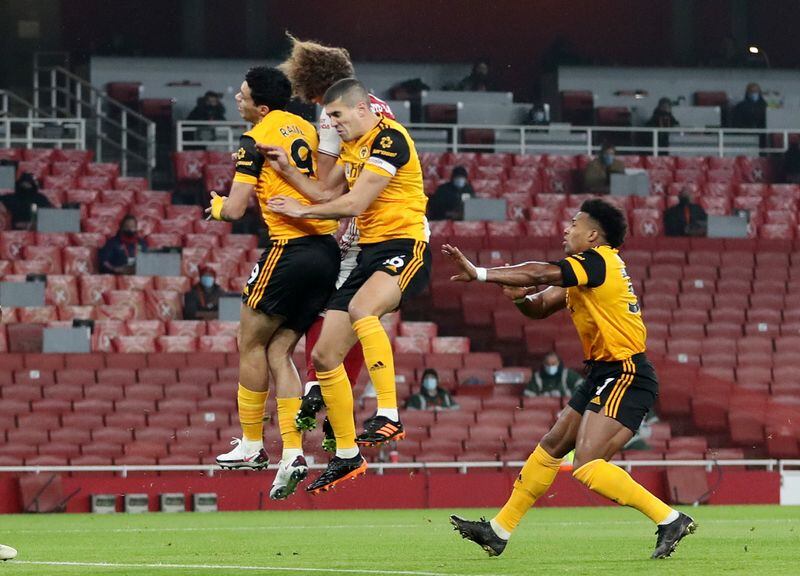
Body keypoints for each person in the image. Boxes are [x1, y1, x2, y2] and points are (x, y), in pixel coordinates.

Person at [443, 198, 695, 559]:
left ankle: (669, 518)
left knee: (587, 465)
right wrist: (518, 299)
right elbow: (541, 305)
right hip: (602, 372)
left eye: (574, 223)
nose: (566, 228)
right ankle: (499, 531)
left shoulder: (597, 261)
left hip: (626, 371)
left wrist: (481, 273)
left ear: (593, 235)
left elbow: (538, 273)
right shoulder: (585, 271)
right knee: (552, 446)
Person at [264, 78, 431, 494]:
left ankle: (389, 412)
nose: (331, 124)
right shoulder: (353, 145)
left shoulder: (390, 140)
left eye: (336, 115)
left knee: (362, 310)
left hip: (404, 244)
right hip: (368, 252)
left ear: (362, 109)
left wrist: (304, 208)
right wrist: (287, 172)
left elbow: (354, 204)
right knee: (323, 356)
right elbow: (325, 190)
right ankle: (346, 452)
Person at [206, 66, 340, 501]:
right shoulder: (302, 126)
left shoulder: (255, 139)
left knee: (249, 342)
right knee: (280, 350)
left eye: (242, 95)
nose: (236, 99)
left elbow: (237, 208)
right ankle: (293, 453)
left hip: (290, 250)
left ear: (261, 107)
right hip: (325, 253)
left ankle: (250, 444)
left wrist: (218, 205)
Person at [277, 33, 396, 453]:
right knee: (364, 319)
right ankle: (333, 401)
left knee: (332, 307)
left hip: (363, 228)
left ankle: (320, 392)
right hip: (394, 223)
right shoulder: (375, 106)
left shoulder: (331, 116)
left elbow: (327, 188)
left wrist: (289, 177)